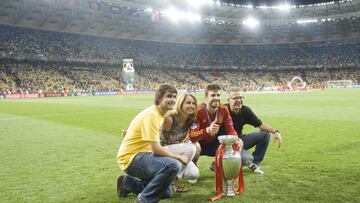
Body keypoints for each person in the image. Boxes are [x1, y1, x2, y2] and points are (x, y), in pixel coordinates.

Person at [116, 84, 189, 203]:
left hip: (142, 155)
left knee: (166, 192)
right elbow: (156, 149)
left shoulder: (159, 115)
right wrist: (179, 156)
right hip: (131, 158)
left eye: (175, 96)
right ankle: (143, 200)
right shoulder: (152, 115)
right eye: (169, 96)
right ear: (159, 98)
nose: (173, 100)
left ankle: (127, 183)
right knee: (173, 165)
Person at [223, 87, 283, 174]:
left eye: (241, 97)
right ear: (228, 100)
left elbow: (260, 124)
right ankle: (225, 160)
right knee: (247, 158)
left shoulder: (245, 110)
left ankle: (256, 162)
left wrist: (275, 131)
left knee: (265, 134)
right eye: (235, 98)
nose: (239, 100)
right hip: (226, 143)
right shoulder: (222, 110)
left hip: (240, 140)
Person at [188, 83, 243, 168]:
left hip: (214, 143)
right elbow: (192, 136)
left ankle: (218, 166)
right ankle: (193, 165)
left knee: (236, 141)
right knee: (195, 146)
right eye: (213, 95)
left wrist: (236, 139)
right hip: (200, 144)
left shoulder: (223, 110)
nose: (216, 98)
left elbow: (231, 129)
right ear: (206, 98)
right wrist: (207, 130)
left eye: (218, 95)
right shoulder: (198, 111)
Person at [160, 92, 200, 192]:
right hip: (162, 152)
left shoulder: (190, 120)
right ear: (180, 104)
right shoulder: (169, 120)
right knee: (191, 148)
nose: (191, 106)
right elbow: (151, 129)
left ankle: (166, 178)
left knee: (194, 174)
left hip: (176, 153)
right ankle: (173, 181)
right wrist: (130, 132)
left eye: (193, 103)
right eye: (188, 103)